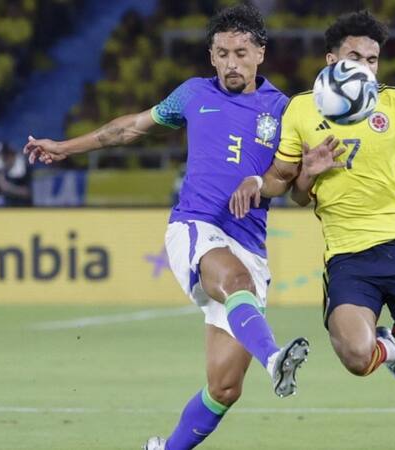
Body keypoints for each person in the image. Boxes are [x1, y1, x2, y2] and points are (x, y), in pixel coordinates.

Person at [21, 6, 309, 450]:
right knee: (235, 280)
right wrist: (64, 147)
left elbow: (289, 181)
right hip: (195, 228)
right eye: (222, 53)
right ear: (211, 57)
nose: (232, 62)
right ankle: (274, 359)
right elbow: (128, 129)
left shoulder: (285, 110)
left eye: (241, 52)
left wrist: (302, 175)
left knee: (224, 388)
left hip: (248, 243)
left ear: (260, 54)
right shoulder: (193, 94)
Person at [230, 11, 395, 450]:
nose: (365, 66)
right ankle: (388, 350)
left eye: (372, 59)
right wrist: (307, 174)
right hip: (349, 256)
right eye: (355, 56)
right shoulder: (300, 109)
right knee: (356, 357)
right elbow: (291, 192)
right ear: (331, 58)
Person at [0, 141, 32, 207]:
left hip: (22, 206)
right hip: (5, 204)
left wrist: (8, 188)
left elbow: (27, 192)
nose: (2, 159)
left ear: (11, 155)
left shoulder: (24, 167)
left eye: (5, 156)